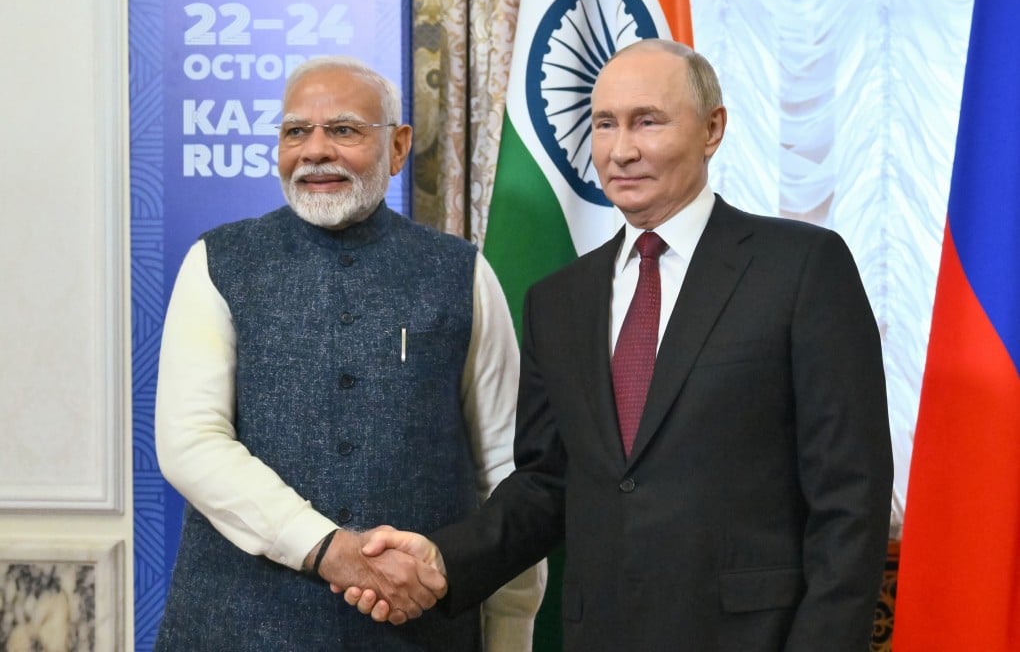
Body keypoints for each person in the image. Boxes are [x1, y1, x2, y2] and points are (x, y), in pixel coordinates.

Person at [344, 39, 894, 652]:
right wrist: (442, 560)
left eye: (647, 121)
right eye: (604, 124)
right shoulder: (559, 299)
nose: (621, 149)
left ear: (712, 130)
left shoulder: (802, 268)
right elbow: (547, 482)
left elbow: (850, 495)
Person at [153, 55, 545, 651]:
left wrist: (511, 632)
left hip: (421, 634)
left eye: (342, 130)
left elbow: (505, 468)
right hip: (236, 628)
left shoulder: (460, 272)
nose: (314, 151)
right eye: (294, 132)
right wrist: (330, 550)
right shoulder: (217, 262)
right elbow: (190, 442)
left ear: (398, 147)